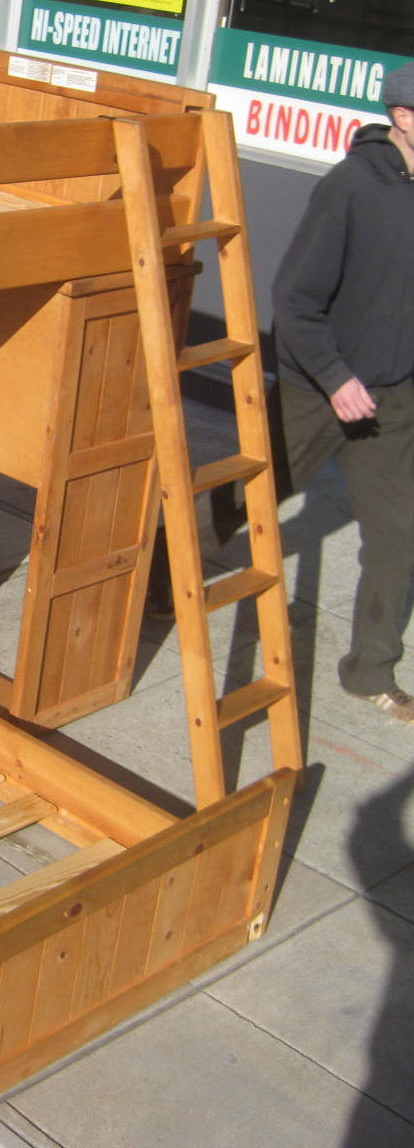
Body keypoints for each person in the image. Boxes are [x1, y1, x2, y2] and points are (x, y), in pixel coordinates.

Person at [272, 59, 414, 722]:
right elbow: (293, 301)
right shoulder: (350, 188)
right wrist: (335, 378)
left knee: (399, 534)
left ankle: (370, 671)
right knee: (238, 496)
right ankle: (159, 571)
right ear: (405, 118)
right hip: (318, 388)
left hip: (393, 398)